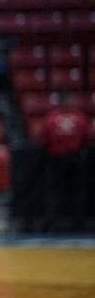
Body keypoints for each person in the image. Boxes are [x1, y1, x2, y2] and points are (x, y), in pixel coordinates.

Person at [39, 92, 89, 232]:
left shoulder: (51, 118)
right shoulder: (79, 117)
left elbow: (45, 139)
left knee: (54, 192)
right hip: (75, 158)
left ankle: (52, 224)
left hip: (56, 158)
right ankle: (79, 224)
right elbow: (86, 138)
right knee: (77, 192)